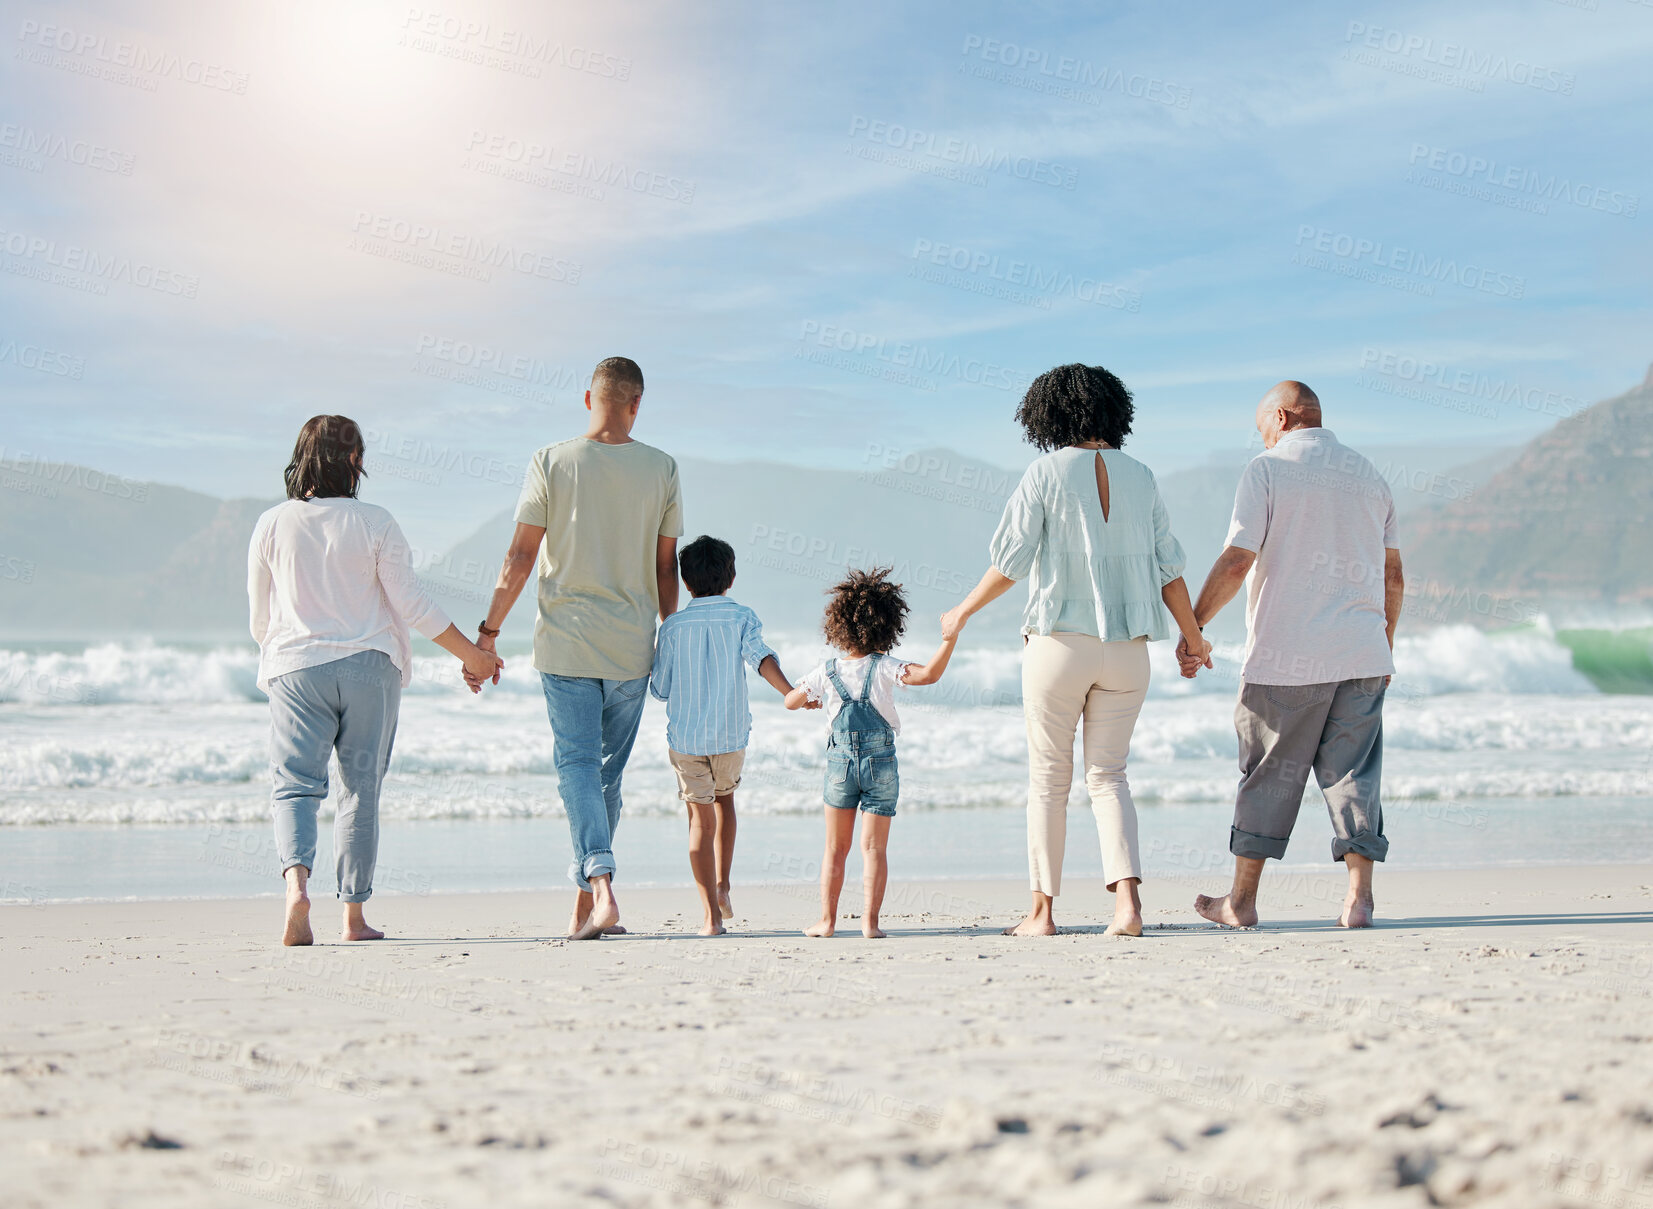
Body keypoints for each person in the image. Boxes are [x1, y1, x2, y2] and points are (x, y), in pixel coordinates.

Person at [940, 363, 1209, 938]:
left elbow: (1010, 562)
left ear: (1049, 415)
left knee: (1048, 783)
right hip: (1129, 652)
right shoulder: (1143, 477)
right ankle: (1128, 909)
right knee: (1109, 777)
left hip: (1059, 645)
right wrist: (1192, 636)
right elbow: (1170, 570)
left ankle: (1042, 914)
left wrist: (962, 612)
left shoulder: (1043, 473)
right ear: (1115, 411)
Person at [248, 415, 503, 947]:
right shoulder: (376, 522)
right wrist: (473, 657)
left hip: (295, 667)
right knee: (359, 792)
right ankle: (353, 918)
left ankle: (297, 888)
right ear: (356, 461)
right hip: (370, 667)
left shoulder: (271, 524)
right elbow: (412, 605)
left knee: (295, 786)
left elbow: (260, 620)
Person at [1178, 380, 1404, 929]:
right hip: (1362, 656)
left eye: (1262, 430)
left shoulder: (1268, 468)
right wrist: (1382, 644)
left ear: (1280, 417)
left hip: (1287, 657)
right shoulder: (1370, 474)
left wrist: (1196, 627)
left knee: (1266, 775)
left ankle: (1243, 901)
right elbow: (1392, 574)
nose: (1262, 440)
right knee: (1354, 776)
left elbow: (1237, 560)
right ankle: (1358, 898)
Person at [473, 357, 682, 940]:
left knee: (576, 768)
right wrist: (676, 634)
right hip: (631, 648)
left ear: (587, 398)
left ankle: (602, 884)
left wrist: (487, 633)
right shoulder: (662, 468)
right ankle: (586, 904)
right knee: (605, 778)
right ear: (638, 404)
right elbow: (666, 567)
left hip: (566, 644)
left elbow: (519, 556)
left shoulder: (551, 460)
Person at [785, 568, 957, 939]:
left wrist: (811, 700)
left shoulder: (826, 670)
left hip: (840, 765)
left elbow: (790, 701)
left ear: (838, 625)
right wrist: (949, 639)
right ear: (886, 625)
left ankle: (827, 922)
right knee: (874, 848)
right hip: (880, 764)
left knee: (835, 847)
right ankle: (870, 924)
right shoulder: (885, 667)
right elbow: (927, 676)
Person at [649, 535, 802, 935]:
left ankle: (710, 917)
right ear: (730, 578)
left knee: (699, 819)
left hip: (686, 740)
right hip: (730, 736)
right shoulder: (742, 617)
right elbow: (760, 658)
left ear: (685, 582)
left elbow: (661, 689)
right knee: (726, 802)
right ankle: (724, 885)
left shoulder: (672, 628)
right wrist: (790, 692)